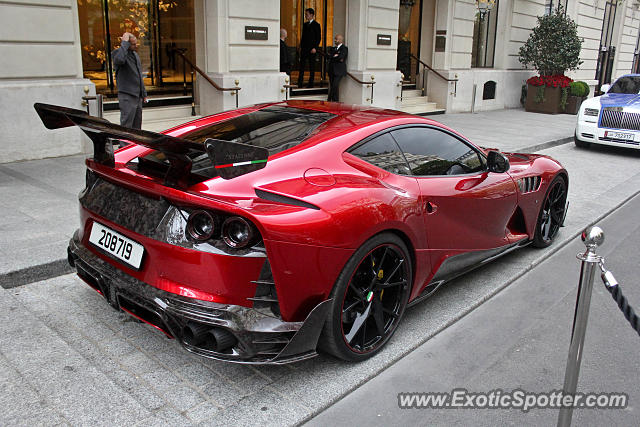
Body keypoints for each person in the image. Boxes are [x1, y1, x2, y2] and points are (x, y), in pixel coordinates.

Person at [112, 32, 147, 129]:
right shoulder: (118, 54)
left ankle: (136, 144)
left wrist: (143, 93)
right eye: (133, 44)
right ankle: (124, 144)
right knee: (127, 124)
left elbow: (139, 75)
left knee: (137, 125)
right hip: (127, 94)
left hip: (137, 95)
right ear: (126, 43)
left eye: (136, 44)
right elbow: (119, 60)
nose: (136, 46)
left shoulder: (135, 55)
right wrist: (124, 43)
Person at [297, 8, 321, 88]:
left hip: (312, 49)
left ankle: (311, 84)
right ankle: (299, 82)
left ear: (311, 15)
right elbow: (303, 37)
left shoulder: (316, 25)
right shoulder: (305, 25)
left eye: (307, 14)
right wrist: (300, 46)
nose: (305, 16)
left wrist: (315, 48)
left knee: (312, 67)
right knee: (302, 66)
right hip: (304, 49)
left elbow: (318, 38)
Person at [327, 34, 348, 102]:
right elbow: (329, 57)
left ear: (341, 40)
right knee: (333, 87)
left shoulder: (344, 48)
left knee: (334, 86)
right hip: (331, 70)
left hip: (339, 71)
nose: (335, 40)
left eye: (336, 39)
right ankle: (335, 101)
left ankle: (329, 100)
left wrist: (335, 56)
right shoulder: (332, 49)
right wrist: (334, 56)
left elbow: (341, 57)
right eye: (335, 39)